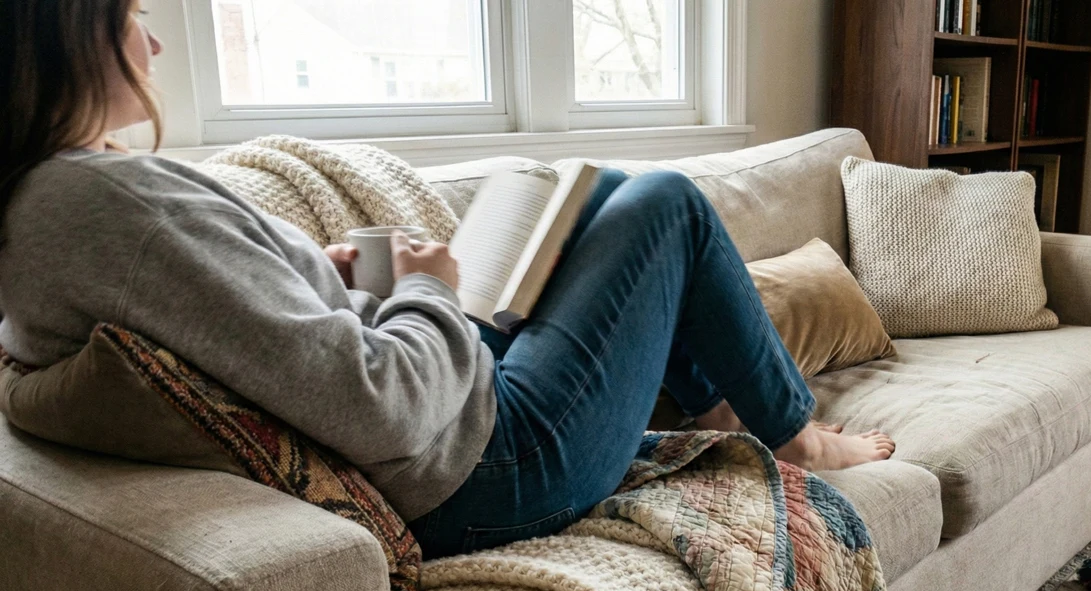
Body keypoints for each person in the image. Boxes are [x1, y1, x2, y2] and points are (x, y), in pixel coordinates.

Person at [0, 0, 894, 560]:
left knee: (607, 194)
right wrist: (429, 287)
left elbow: (259, 338)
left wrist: (337, 273)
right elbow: (376, 401)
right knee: (666, 200)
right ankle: (796, 438)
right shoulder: (105, 206)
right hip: (485, 471)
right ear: (64, 33)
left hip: (447, 427)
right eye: (129, 14)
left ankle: (719, 410)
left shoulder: (60, 202)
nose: (152, 39)